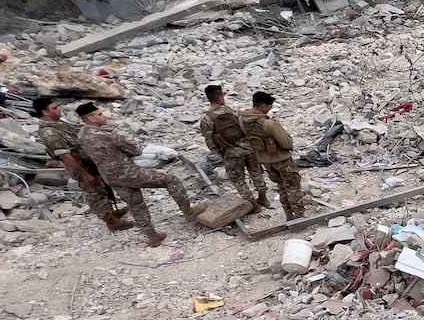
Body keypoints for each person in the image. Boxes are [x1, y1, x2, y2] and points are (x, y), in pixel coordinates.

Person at [76, 103, 201, 247]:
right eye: (99, 114)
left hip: (110, 177)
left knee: (135, 204)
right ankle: (188, 212)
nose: (103, 116)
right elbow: (135, 150)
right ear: (90, 118)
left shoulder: (81, 135)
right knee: (171, 180)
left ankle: (152, 236)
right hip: (129, 173)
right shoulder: (107, 136)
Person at [30, 95, 132, 233]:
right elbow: (65, 156)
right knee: (95, 193)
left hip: (90, 162)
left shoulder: (59, 124)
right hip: (82, 167)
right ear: (45, 112)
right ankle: (111, 221)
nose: (59, 109)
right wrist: (85, 174)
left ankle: (112, 213)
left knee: (103, 188)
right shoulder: (49, 132)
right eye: (55, 108)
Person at [199, 84, 268, 208]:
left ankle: (253, 204)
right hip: (248, 148)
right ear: (219, 97)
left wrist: (219, 153)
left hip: (231, 153)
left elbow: (209, 139)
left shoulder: (206, 118)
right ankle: (263, 197)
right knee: (256, 172)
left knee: (237, 179)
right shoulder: (231, 111)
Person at [241, 91, 305, 220]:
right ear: (263, 106)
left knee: (281, 186)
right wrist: (280, 128)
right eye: (269, 106)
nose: (270, 109)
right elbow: (287, 143)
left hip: (265, 160)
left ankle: (288, 214)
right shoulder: (268, 124)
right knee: (292, 187)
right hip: (281, 159)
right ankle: (298, 216)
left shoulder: (243, 120)